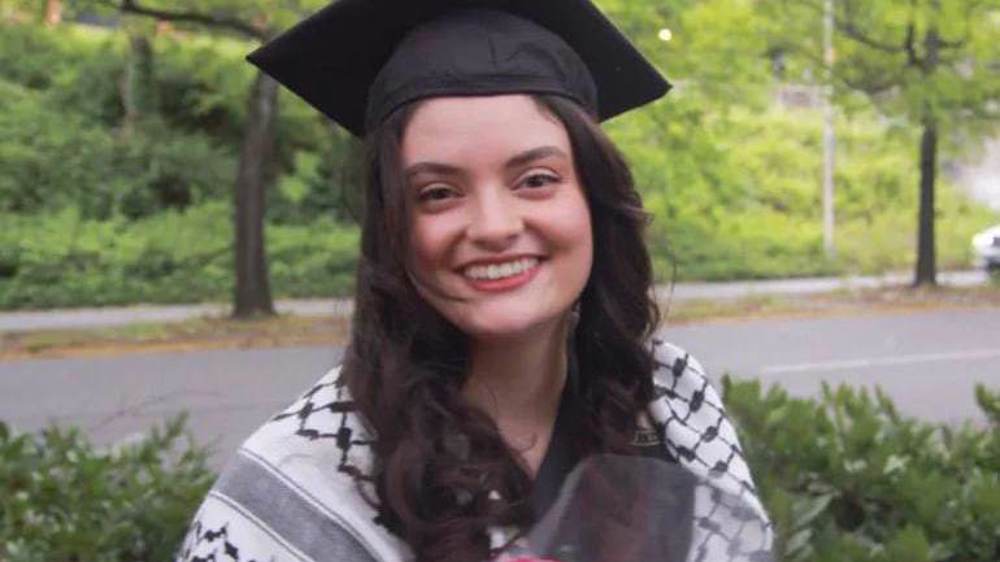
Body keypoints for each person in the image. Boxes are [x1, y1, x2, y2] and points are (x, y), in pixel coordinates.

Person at [176, 1, 773, 561]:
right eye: (438, 193)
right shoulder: (302, 479)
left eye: (536, 179)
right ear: (393, 229)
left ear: (594, 198)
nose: (492, 227)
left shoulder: (669, 401)